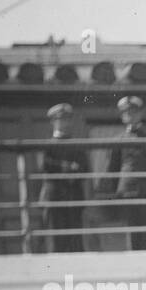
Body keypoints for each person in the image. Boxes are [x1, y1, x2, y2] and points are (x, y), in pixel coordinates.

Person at [105, 96, 146, 250]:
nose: (131, 115)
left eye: (134, 112)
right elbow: (113, 169)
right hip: (127, 192)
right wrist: (112, 195)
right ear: (122, 116)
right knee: (132, 230)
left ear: (140, 114)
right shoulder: (118, 140)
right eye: (127, 112)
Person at [39, 103, 88, 253]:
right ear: (53, 122)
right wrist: (66, 167)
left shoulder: (77, 145)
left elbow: (84, 168)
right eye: (60, 120)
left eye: (67, 119)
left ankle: (75, 276)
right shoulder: (47, 146)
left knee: (75, 242)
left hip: (73, 196)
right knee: (56, 242)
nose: (63, 123)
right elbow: (45, 165)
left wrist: (74, 172)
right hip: (54, 197)